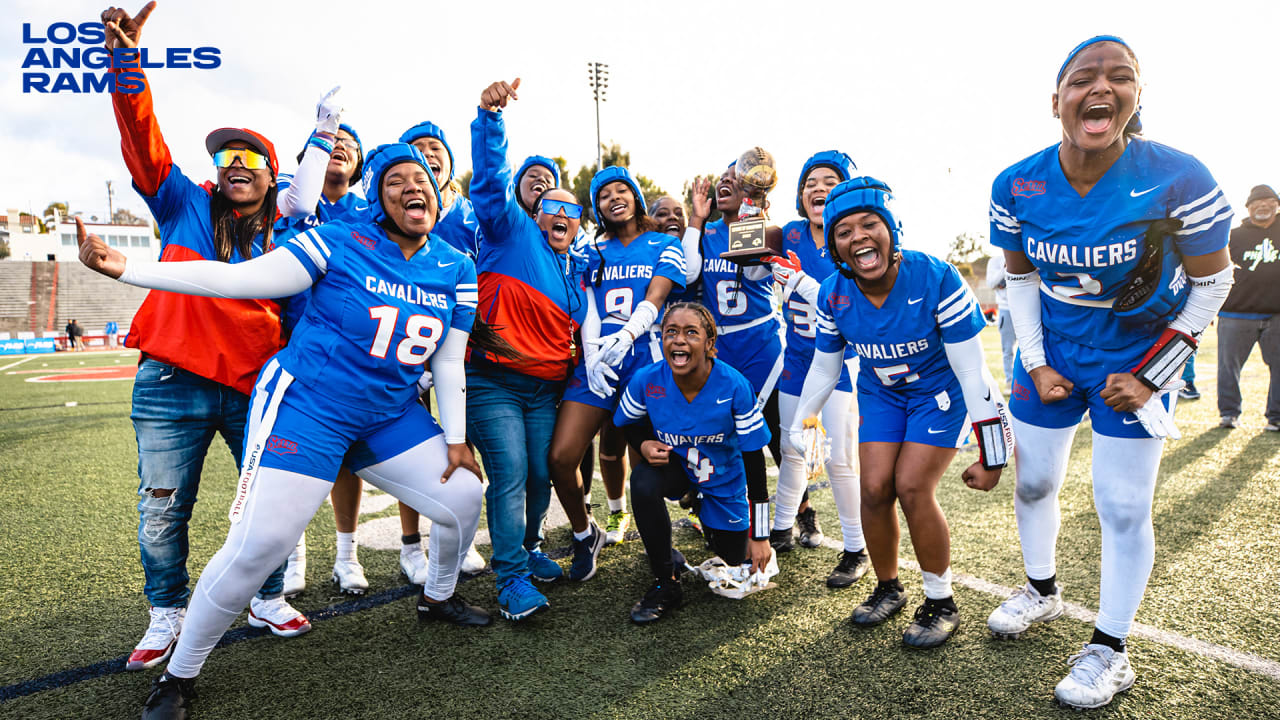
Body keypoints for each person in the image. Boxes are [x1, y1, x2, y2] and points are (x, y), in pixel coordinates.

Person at [82, 137, 508, 719]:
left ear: (436, 197)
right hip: (309, 405)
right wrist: (129, 268)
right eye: (396, 180)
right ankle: (180, 674)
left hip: (388, 415)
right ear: (378, 199)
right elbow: (239, 279)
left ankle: (438, 597)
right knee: (260, 546)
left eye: (422, 181)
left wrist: (456, 441)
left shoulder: (456, 266)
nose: (414, 187)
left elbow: (450, 360)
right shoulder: (337, 240)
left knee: (463, 497)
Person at [986, 36, 1234, 709]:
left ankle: (1110, 649)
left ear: (1136, 97)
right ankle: (1040, 589)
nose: (1101, 88)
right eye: (1082, 79)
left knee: (1122, 506)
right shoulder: (1016, 183)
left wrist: (1156, 373)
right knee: (1035, 483)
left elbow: (1213, 286)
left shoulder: (1181, 177)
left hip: (1136, 354)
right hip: (1056, 352)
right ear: (1057, 101)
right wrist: (1035, 364)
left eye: (1119, 77)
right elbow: (1020, 280)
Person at [97, 2, 307, 676]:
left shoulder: (292, 231)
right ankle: (168, 611)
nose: (235, 163)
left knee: (268, 504)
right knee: (163, 510)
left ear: (274, 178)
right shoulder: (184, 201)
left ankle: (267, 597)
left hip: (255, 387)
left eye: (251, 157)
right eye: (226, 157)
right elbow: (141, 134)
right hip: (171, 380)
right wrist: (127, 63)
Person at [788, 176, 1009, 650]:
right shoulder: (833, 293)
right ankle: (888, 586)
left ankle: (941, 599)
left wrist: (995, 452)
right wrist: (802, 423)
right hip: (883, 392)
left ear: (893, 230)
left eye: (869, 224)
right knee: (872, 487)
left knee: (911, 486)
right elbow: (824, 369)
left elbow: (974, 373)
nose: (858, 237)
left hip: (938, 392)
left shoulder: (937, 277)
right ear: (834, 247)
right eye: (843, 231)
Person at [466, 77, 589, 620]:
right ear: (533, 211)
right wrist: (491, 120)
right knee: (512, 472)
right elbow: (491, 183)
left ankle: (531, 547)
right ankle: (510, 577)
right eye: (549, 203)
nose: (560, 213)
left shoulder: (574, 271)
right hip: (495, 382)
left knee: (542, 474)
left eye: (571, 208)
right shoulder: (509, 230)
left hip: (546, 390)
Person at [547, 164, 687, 582]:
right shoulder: (591, 249)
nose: (613, 197)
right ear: (597, 207)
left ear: (636, 197)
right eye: (604, 193)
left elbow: (657, 296)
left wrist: (627, 335)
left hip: (644, 360)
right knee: (560, 457)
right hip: (598, 362)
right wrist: (591, 356)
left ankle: (665, 545)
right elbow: (588, 302)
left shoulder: (663, 242)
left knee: (652, 464)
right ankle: (582, 531)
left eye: (620, 189)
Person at [274, 90, 380, 597]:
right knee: (291, 461)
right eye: (329, 141)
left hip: (352, 358)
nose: (338, 146)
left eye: (349, 144)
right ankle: (293, 557)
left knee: (345, 462)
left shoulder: (368, 213)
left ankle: (346, 554)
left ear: (360, 163)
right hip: (292, 348)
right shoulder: (287, 200)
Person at [614, 302, 777, 623]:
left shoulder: (733, 385)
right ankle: (665, 581)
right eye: (670, 332)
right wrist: (643, 443)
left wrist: (760, 536)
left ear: (709, 343)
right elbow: (627, 422)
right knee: (643, 481)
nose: (679, 340)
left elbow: (755, 460)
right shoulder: (647, 380)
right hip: (677, 471)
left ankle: (704, 509)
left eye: (691, 332)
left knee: (732, 557)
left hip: (723, 480)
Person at [764, 150, 869, 589]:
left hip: (840, 361)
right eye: (810, 182)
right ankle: (781, 528)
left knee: (839, 459)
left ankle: (855, 547)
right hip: (798, 358)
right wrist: (751, 204)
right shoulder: (785, 233)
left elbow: (848, 300)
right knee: (794, 448)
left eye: (828, 180)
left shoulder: (852, 238)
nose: (818, 188)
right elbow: (746, 248)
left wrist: (802, 283)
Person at [1217, 184, 1280, 430]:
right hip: (1236, 313)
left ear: (1277, 205)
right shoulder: (1233, 236)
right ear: (1248, 207)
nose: (1262, 205)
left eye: (1269, 201)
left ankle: (1276, 417)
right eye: (1256, 202)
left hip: (1277, 316)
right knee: (1228, 368)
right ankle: (1229, 413)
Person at [985, 251, 1016, 387]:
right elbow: (991, 283)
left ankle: (1029, 382)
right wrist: (1006, 266)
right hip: (1006, 309)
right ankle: (1010, 381)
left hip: (1028, 308)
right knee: (1007, 349)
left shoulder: (1025, 254)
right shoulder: (995, 260)